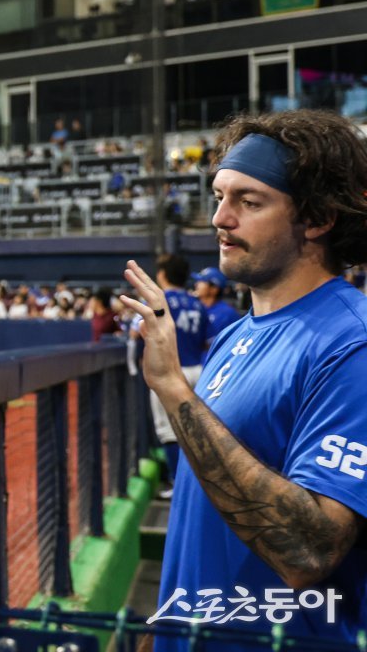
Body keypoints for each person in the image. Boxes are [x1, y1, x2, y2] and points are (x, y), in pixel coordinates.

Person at [123, 110, 367, 650]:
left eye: (249, 202)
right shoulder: (236, 335)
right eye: (218, 196)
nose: (220, 218)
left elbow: (310, 551)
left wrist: (173, 390)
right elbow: (204, 513)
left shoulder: (353, 343)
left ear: (319, 217)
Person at [141, 253, 207, 484]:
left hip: (170, 372)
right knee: (197, 431)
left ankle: (177, 482)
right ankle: (196, 483)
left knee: (169, 432)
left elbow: (136, 330)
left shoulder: (159, 300)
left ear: (162, 274)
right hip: (198, 370)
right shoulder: (197, 302)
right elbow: (206, 341)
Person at [192, 265, 240, 341]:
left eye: (202, 281)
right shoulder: (193, 307)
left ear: (214, 289)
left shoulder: (228, 314)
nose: (196, 284)